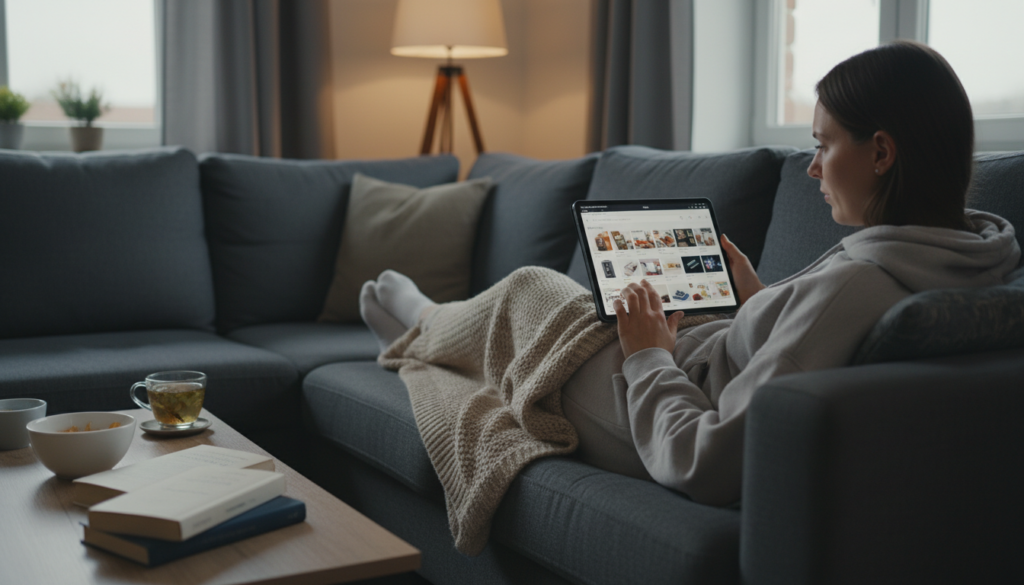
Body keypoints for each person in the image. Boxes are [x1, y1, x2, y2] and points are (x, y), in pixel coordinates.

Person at [360, 41, 1020, 507]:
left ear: (880, 151)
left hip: (660, 407)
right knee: (576, 301)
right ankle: (434, 323)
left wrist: (647, 353)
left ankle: (420, 320)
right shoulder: (974, 257)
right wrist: (762, 301)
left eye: (823, 144)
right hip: (696, 365)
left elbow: (706, 459)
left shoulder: (861, 284)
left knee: (534, 289)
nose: (815, 168)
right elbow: (805, 344)